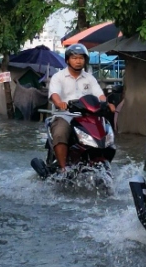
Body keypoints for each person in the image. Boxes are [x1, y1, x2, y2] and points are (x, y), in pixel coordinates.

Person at [46, 44, 115, 174]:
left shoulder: (90, 78)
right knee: (60, 133)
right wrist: (60, 102)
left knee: (105, 132)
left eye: (81, 58)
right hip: (65, 115)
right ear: (67, 60)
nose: (78, 61)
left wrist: (107, 103)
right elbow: (54, 94)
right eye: (74, 58)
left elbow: (99, 95)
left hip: (88, 116)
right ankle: (63, 169)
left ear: (85, 60)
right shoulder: (58, 77)